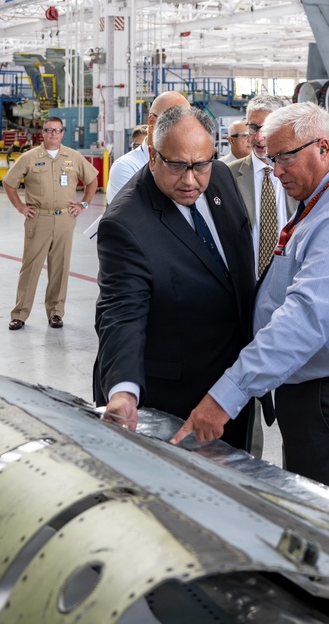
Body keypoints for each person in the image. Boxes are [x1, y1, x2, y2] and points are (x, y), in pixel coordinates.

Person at [173, 102, 329, 504]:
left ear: (324, 146)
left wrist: (226, 396)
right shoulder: (321, 200)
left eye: (285, 158)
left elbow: (303, 319)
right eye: (271, 159)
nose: (276, 171)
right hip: (315, 393)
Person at [95, 105, 255, 448]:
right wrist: (124, 391)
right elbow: (121, 312)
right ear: (153, 155)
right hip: (174, 402)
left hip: (231, 390)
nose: (190, 179)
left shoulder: (221, 179)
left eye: (200, 165)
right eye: (177, 165)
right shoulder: (125, 223)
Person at [4, 115, 98, 330]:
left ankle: (56, 312)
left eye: (57, 130)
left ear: (63, 133)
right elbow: (9, 182)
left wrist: (83, 204)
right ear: (43, 133)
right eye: (49, 130)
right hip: (39, 219)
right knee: (30, 267)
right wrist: (20, 207)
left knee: (60, 267)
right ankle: (20, 314)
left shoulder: (73, 157)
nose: (53, 134)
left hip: (65, 219)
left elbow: (92, 180)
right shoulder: (29, 157)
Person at [227, 94, 290, 278]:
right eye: (254, 128)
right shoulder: (227, 175)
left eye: (267, 128)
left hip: (290, 280)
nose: (260, 137)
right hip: (245, 283)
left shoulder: (299, 174)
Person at [105, 91, 189, 203]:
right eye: (174, 121)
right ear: (152, 121)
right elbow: (134, 216)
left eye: (186, 123)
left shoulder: (189, 163)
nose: (181, 130)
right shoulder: (126, 167)